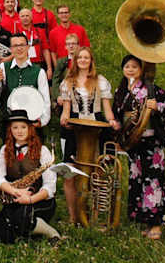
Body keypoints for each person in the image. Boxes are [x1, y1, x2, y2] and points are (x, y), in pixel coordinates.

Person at [113, 55, 165, 239]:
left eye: (134, 67)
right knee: (137, 181)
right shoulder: (121, 90)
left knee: (153, 183)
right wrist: (117, 132)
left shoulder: (151, 89)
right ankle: (143, 221)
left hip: (151, 143)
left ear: (141, 70)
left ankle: (156, 225)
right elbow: (117, 114)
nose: (130, 69)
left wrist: (157, 107)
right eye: (127, 66)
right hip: (133, 143)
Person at [59, 46, 119, 225]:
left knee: (98, 172)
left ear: (91, 61)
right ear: (75, 61)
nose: (83, 61)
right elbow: (67, 110)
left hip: (96, 129)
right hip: (75, 129)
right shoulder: (68, 81)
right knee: (69, 173)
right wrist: (64, 118)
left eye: (87, 58)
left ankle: (91, 213)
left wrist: (112, 121)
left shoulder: (100, 81)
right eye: (80, 58)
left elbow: (107, 110)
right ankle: (73, 216)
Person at [0, 109, 60, 241]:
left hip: (40, 202)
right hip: (16, 198)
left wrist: (30, 199)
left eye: (23, 127)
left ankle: (51, 232)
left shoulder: (43, 151)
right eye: (15, 127)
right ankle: (29, 229)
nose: (19, 131)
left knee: (21, 218)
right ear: (10, 130)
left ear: (30, 129)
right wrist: (15, 191)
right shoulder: (4, 150)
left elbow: (50, 187)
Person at [0, 33, 51, 127]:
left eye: (22, 45)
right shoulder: (3, 67)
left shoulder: (39, 71)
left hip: (31, 122)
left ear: (28, 47)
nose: (19, 48)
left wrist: (42, 121)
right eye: (15, 46)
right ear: (11, 49)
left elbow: (45, 99)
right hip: (9, 121)